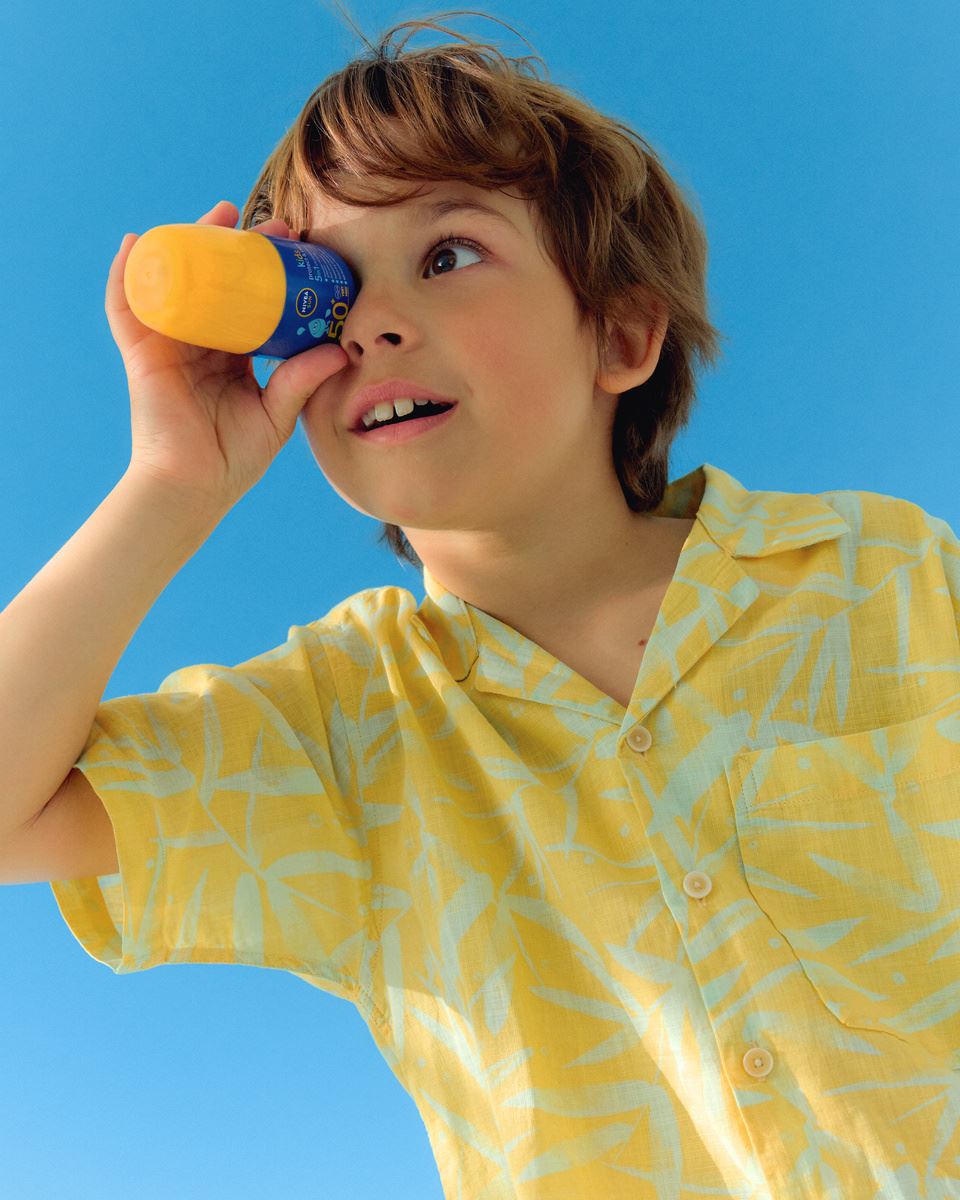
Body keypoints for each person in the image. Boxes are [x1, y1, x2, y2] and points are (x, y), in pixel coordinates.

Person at [3, 12, 960, 1198]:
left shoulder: (891, 575)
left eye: (447, 255)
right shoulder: (341, 733)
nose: (371, 323)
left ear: (620, 332)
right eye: (323, 291)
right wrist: (171, 486)